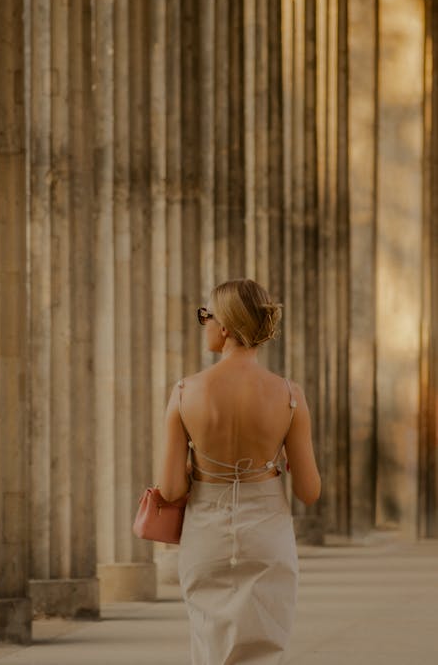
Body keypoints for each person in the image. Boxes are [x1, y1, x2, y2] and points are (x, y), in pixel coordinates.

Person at [158, 278, 321, 665]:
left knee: (210, 644)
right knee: (266, 643)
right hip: (267, 530)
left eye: (206, 316)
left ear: (226, 325)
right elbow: (309, 491)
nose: (204, 324)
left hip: (207, 532)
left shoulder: (185, 391)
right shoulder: (289, 395)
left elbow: (169, 490)